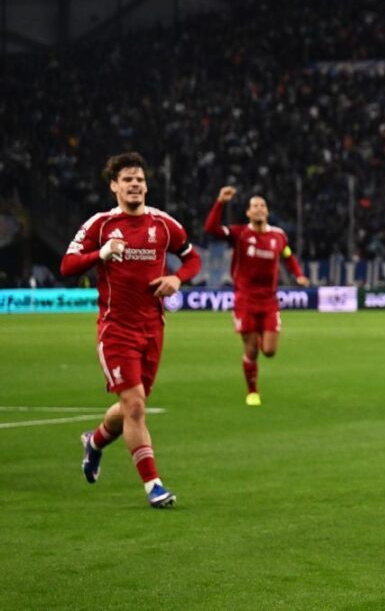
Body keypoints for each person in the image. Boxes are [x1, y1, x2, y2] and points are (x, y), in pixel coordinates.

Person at [60, 152, 201, 508]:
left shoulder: (164, 224)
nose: (135, 184)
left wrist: (177, 278)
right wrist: (101, 254)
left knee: (130, 407)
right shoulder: (101, 225)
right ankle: (154, 485)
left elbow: (192, 258)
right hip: (116, 330)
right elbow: (67, 266)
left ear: (146, 186)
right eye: (127, 180)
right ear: (114, 186)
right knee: (135, 406)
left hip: (153, 328)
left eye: (139, 179)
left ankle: (94, 441)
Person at [204, 186, 309, 406]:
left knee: (269, 351)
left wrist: (298, 274)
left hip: (269, 301)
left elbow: (288, 255)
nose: (259, 209)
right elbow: (211, 228)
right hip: (245, 300)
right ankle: (252, 391)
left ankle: (260, 334)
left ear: (267, 212)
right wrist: (220, 202)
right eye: (255, 206)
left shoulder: (278, 236)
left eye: (262, 206)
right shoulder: (240, 233)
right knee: (251, 351)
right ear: (248, 213)